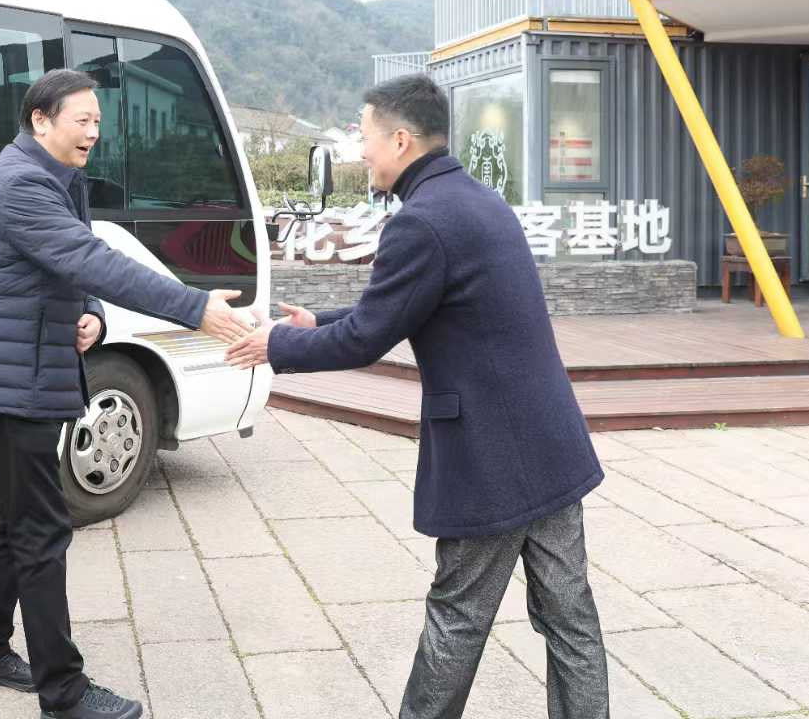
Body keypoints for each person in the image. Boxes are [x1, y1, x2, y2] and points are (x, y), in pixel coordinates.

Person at [226, 73, 608, 719]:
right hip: (549, 442)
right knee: (570, 619)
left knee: (456, 619)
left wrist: (275, 345)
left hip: (492, 457)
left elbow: (368, 337)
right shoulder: (477, 200)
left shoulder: (422, 222)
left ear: (401, 140)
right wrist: (317, 322)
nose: (362, 151)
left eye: (366, 137)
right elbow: (408, 305)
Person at [0, 68, 251, 719]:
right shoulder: (23, 182)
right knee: (41, 532)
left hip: (27, 372)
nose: (93, 131)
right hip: (9, 386)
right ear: (40, 120)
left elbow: (72, 268)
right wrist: (194, 305)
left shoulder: (55, 176)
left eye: (97, 121)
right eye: (81, 120)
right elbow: (93, 260)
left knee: (16, 520)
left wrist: (90, 313)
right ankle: (63, 693)